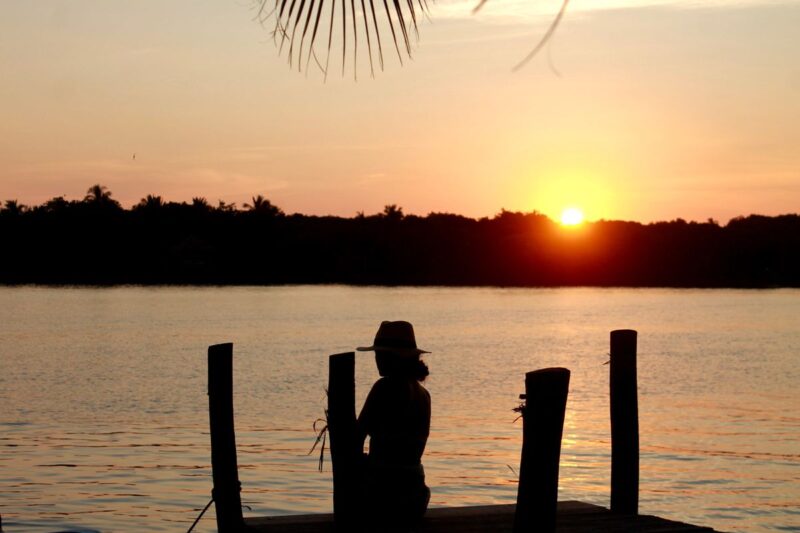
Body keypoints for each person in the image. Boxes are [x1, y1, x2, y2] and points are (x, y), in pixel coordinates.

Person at [356, 321, 432, 531]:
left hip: (385, 494)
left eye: (381, 354)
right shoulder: (424, 395)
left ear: (396, 358)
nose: (377, 360)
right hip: (416, 495)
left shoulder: (384, 388)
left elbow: (355, 438)